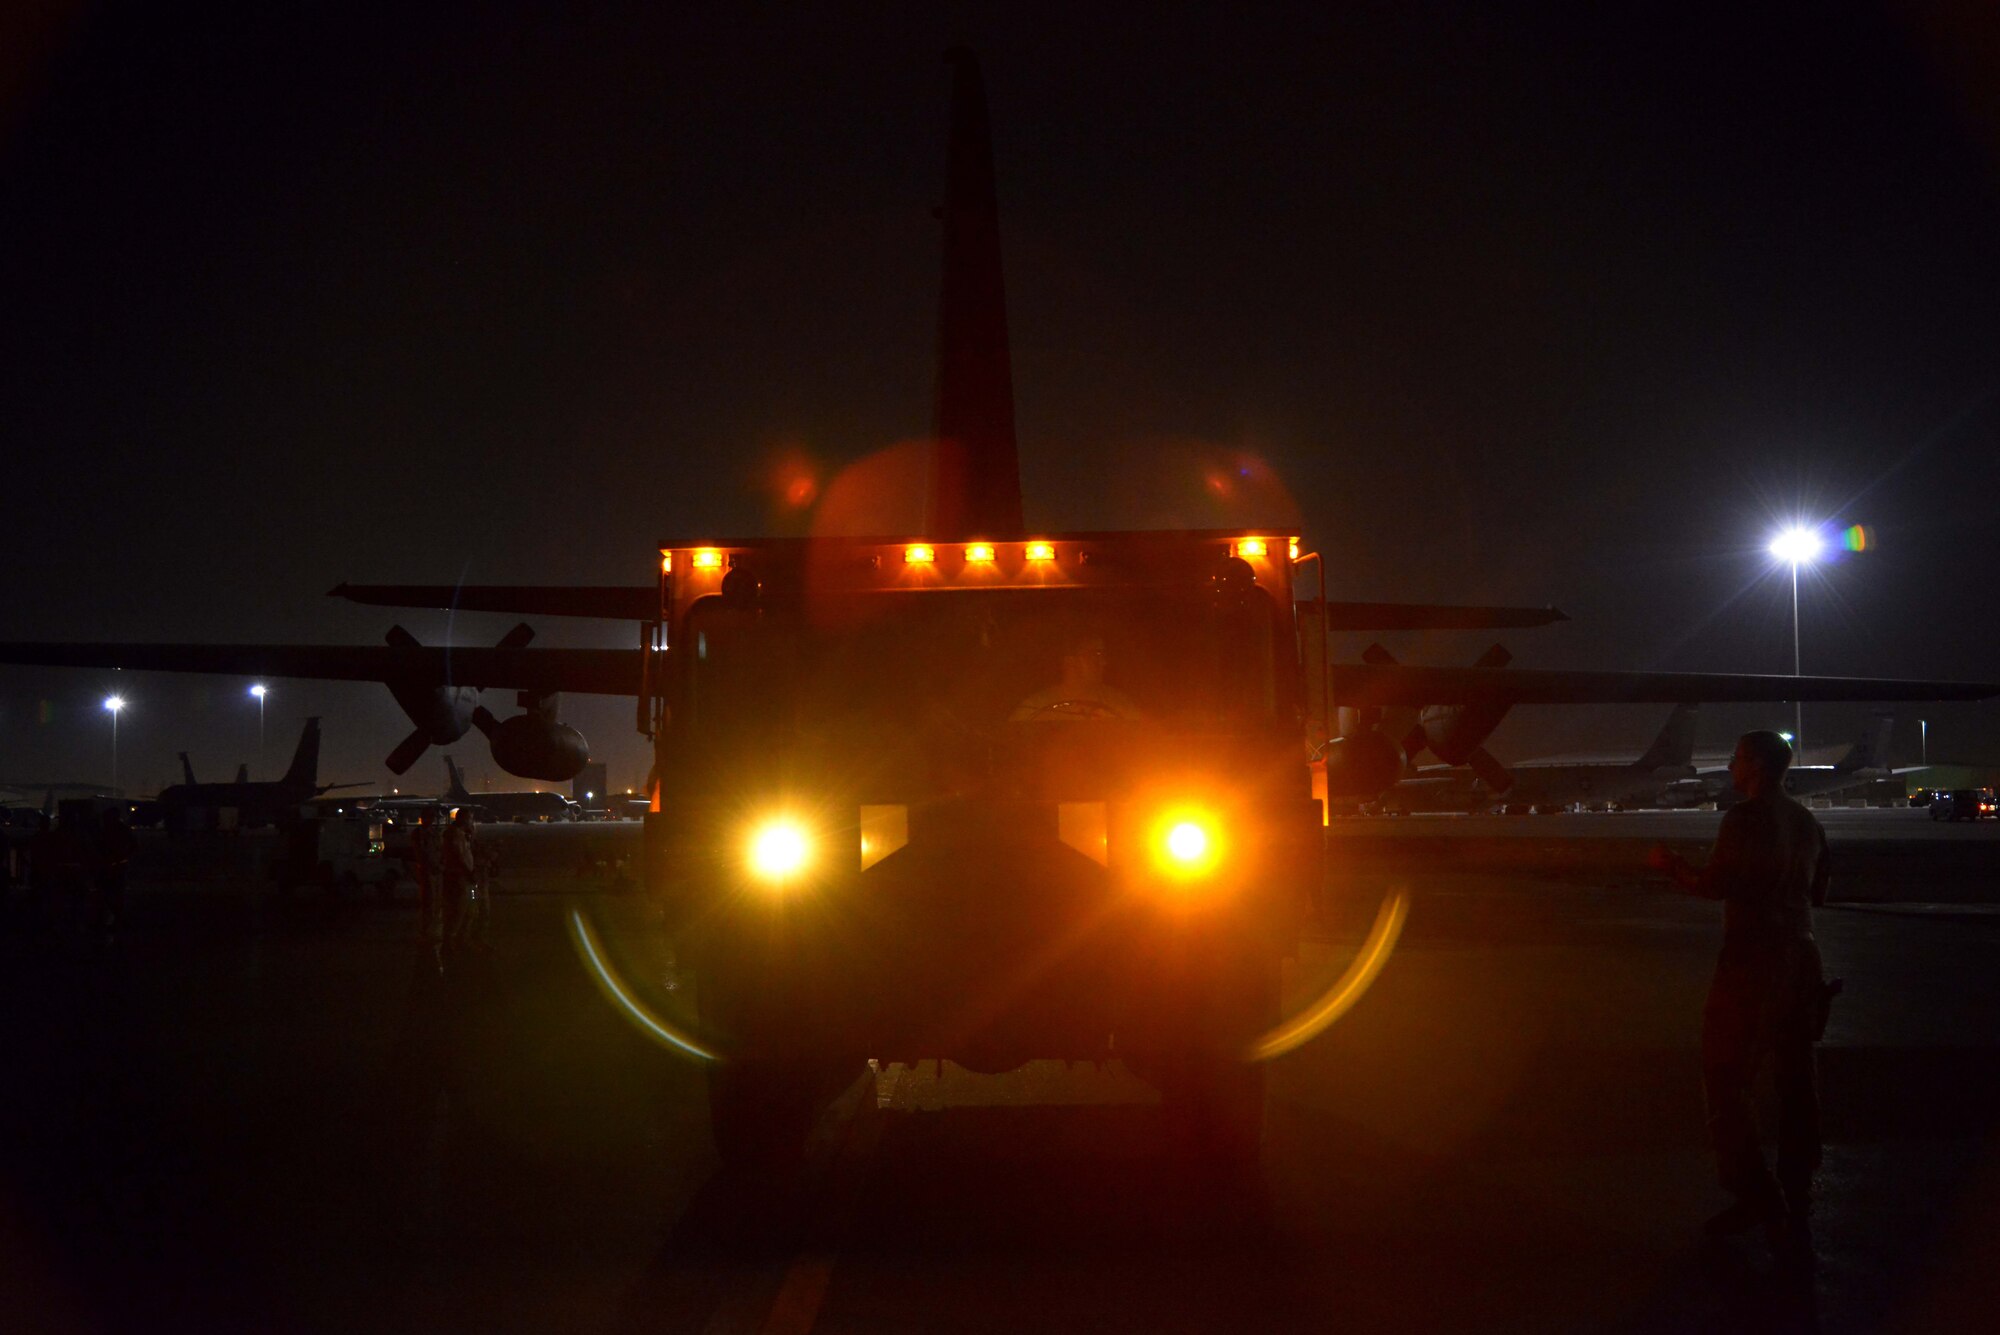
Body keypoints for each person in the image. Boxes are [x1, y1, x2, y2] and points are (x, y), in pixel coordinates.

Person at [1647, 730, 1836, 1254]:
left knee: (1726, 1079)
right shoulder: (1808, 821)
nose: (1730, 766)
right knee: (1797, 1082)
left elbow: (1716, 885)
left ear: (1753, 765)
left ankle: (1756, 1192)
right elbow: (1820, 891)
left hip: (1754, 959)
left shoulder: (1745, 818)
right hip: (1803, 957)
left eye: (1735, 758)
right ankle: (1797, 1194)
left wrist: (1673, 866)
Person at [1009, 632, 1142, 722]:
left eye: (1102, 655)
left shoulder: (1118, 705)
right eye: (1095, 655)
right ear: (1070, 661)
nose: (1103, 662)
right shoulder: (1034, 709)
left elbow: (1142, 740)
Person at [439, 808, 477, 964]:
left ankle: (461, 941)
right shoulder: (454, 834)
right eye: (469, 819)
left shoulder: (462, 834)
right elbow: (459, 855)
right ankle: (449, 945)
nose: (471, 822)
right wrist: (469, 873)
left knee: (469, 910)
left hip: (464, 877)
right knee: (458, 912)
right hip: (458, 877)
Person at [409, 808, 441, 945]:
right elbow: (420, 853)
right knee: (428, 902)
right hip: (427, 871)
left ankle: (431, 931)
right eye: (429, 818)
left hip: (435, 870)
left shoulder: (433, 832)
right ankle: (425, 933)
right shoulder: (419, 833)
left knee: (435, 903)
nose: (431, 820)